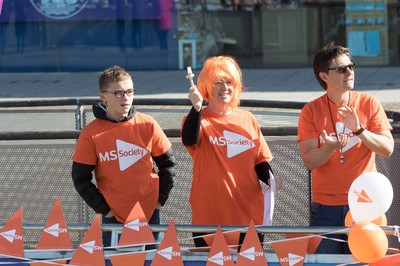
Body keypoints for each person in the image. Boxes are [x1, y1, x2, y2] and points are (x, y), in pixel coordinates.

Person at [297, 42, 394, 254]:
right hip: (326, 207)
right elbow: (309, 161)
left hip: (366, 205)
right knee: (326, 262)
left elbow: (387, 148)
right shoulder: (310, 111)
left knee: (365, 260)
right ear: (324, 77)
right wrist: (329, 148)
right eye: (341, 69)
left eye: (351, 66)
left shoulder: (369, 103)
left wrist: (359, 130)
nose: (349, 72)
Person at [181, 55, 282, 249]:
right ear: (206, 87)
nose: (224, 87)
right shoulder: (197, 120)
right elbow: (189, 139)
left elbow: (259, 160)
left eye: (229, 82)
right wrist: (196, 109)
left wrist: (270, 178)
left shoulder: (248, 118)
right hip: (209, 216)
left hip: (249, 214)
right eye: (218, 82)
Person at [72, 65, 176, 248]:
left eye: (129, 91)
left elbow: (168, 165)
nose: (126, 97)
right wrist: (106, 210)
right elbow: (80, 178)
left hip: (150, 214)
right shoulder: (91, 133)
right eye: (118, 93)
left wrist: (159, 201)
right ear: (103, 96)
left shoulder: (148, 124)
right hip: (115, 219)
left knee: (151, 261)